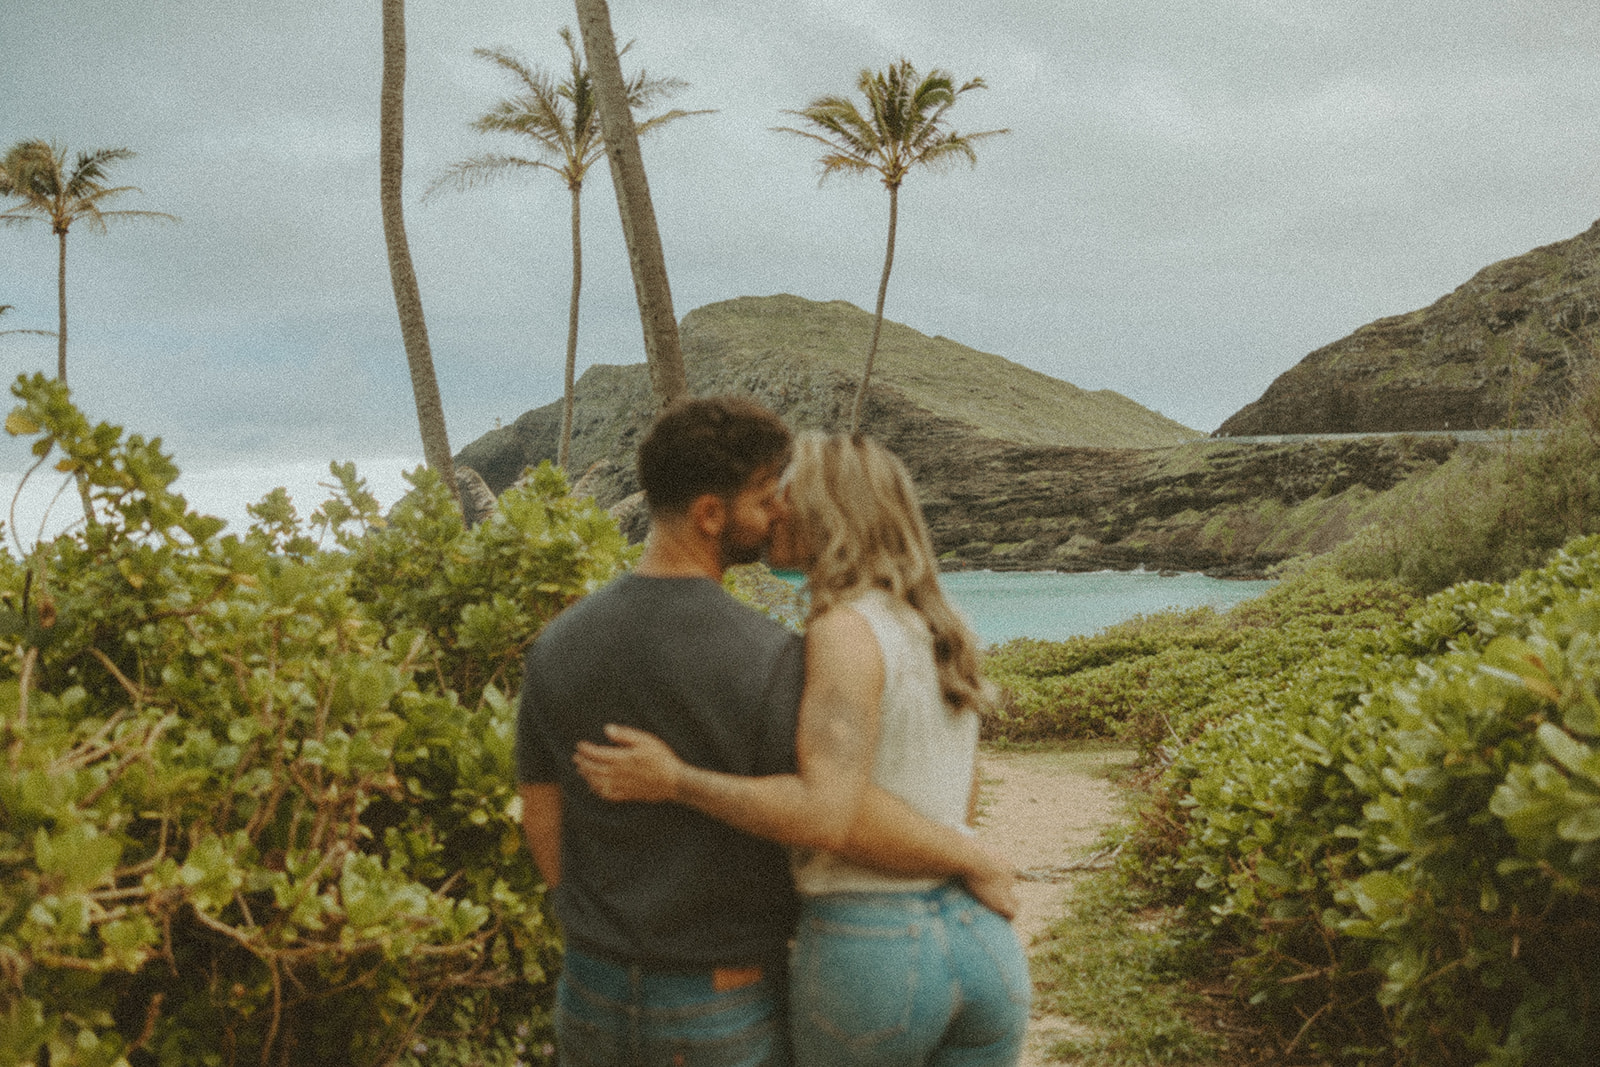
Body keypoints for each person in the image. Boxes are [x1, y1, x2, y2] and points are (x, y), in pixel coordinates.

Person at [515, 397, 1017, 1067]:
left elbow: (541, 813)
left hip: (591, 986)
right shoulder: (775, 654)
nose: (778, 511)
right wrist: (969, 852)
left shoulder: (556, 645)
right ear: (711, 514)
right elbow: (836, 811)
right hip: (725, 995)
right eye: (764, 497)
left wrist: (600, 927)